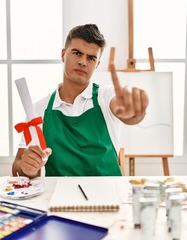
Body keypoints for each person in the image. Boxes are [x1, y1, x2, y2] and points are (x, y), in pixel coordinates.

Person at [12, 24, 148, 178]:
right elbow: (17, 167)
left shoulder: (105, 96)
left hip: (108, 196)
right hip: (58, 198)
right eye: (77, 53)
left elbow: (123, 110)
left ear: (97, 64)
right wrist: (28, 168)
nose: (83, 62)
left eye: (91, 58)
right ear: (63, 54)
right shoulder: (38, 110)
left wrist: (133, 112)